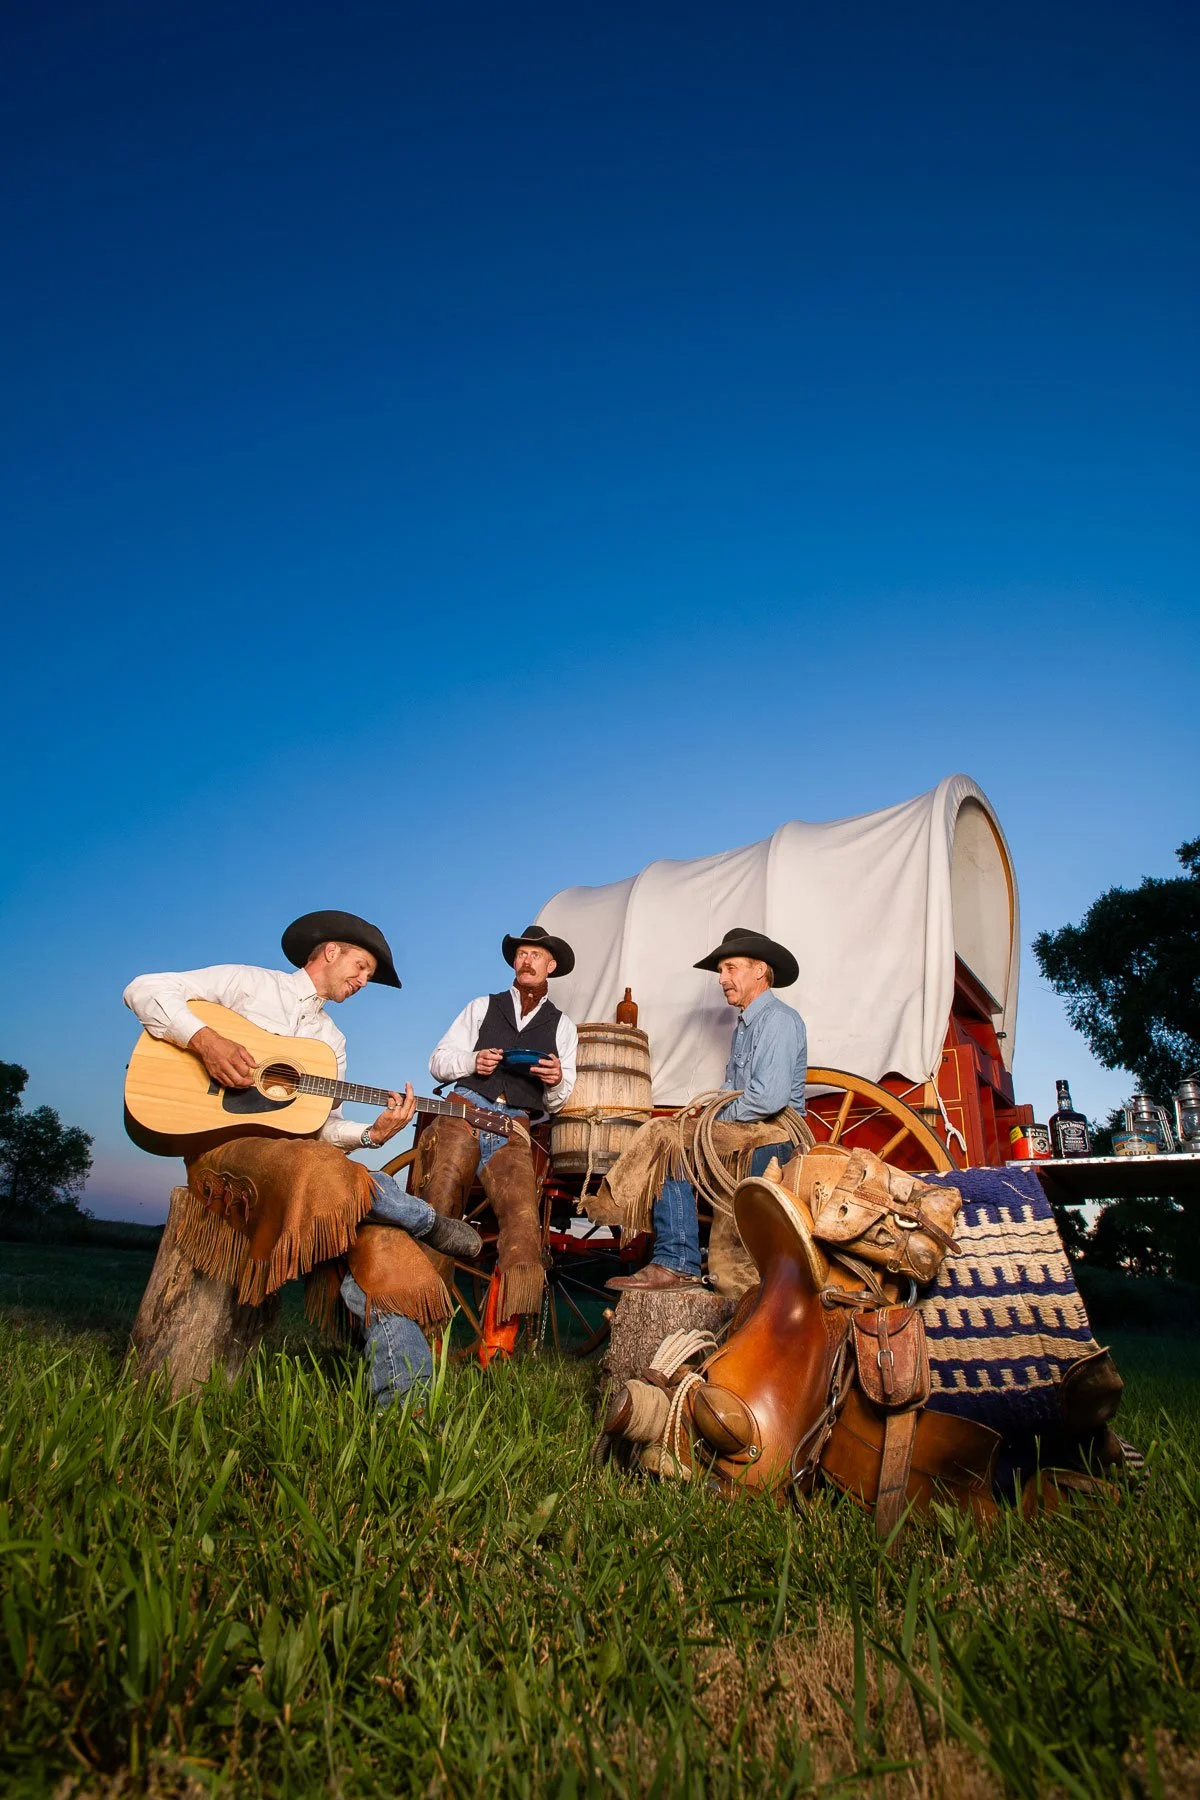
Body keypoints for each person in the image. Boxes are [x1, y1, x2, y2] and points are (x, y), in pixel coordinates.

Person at [123, 909, 480, 1404]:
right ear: (330, 951)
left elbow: (316, 1127)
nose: (362, 982)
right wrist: (205, 1041)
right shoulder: (248, 984)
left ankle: (406, 1410)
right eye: (360, 968)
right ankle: (422, 1218)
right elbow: (144, 988)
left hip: (302, 1167)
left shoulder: (331, 1044)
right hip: (223, 1152)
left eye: (369, 978)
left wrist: (373, 1133)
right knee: (326, 1169)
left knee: (381, 1239)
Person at [606, 926, 807, 1293]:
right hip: (747, 1128)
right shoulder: (744, 1026)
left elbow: (768, 1098)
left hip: (773, 1135)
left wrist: (708, 1122)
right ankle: (676, 1259)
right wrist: (709, 1119)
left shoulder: (777, 1020)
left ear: (759, 970)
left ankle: (675, 1260)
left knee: (667, 1135)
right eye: (721, 971)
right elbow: (734, 1094)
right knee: (669, 1135)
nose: (721, 979)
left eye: (730, 968)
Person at [417, 925, 578, 1323]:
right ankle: (421, 1316)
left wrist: (555, 1079)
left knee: (523, 1217)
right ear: (514, 962)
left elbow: (561, 1100)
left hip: (514, 1128)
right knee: (441, 1198)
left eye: (535, 956)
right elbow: (438, 1061)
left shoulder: (563, 1026)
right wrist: (473, 1061)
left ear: (550, 966)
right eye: (522, 954)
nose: (527, 961)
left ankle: (500, 1339)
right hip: (465, 1111)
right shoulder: (481, 1007)